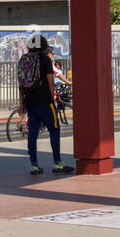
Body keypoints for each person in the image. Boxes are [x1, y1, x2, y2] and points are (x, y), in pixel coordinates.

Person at [17, 33, 74, 175]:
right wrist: (51, 99)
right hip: (45, 102)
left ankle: (34, 165)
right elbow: (50, 82)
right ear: (43, 46)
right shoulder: (45, 59)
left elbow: (21, 83)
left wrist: (21, 104)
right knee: (54, 130)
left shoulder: (23, 60)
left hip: (30, 102)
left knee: (33, 134)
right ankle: (58, 163)